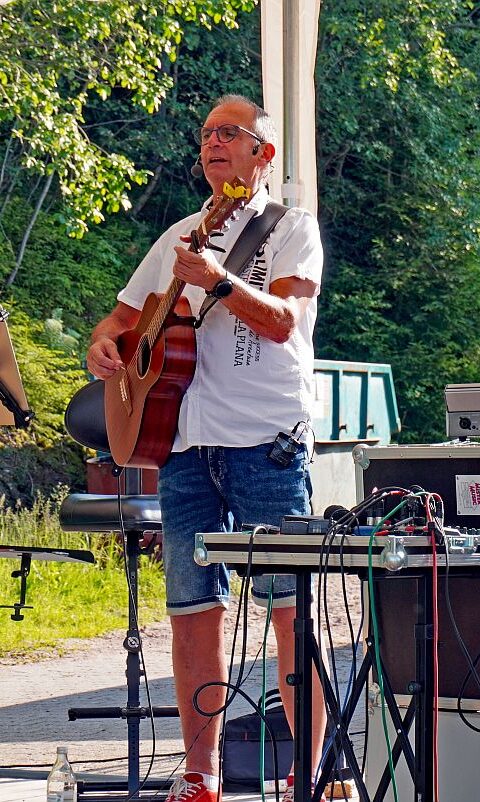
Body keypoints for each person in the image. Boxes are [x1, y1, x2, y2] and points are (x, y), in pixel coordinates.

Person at [86, 94, 327, 802]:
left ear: (264, 155)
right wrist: (106, 346)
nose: (213, 144)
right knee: (192, 612)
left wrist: (219, 280)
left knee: (291, 610)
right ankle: (201, 774)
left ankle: (303, 776)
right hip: (184, 445)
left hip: (268, 443)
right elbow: (125, 318)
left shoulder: (292, 229)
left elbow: (285, 320)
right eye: (206, 135)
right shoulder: (178, 236)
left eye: (231, 133)